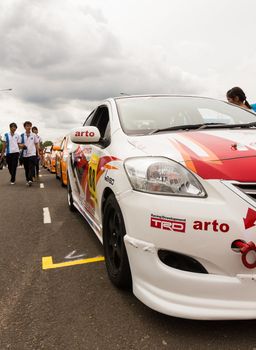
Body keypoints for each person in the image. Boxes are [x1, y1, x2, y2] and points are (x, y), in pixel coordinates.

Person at [21, 121, 39, 186]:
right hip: (25, 154)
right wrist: (22, 146)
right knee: (26, 168)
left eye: (29, 126)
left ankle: (30, 180)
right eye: (27, 126)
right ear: (24, 127)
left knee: (31, 167)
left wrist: (38, 153)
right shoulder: (22, 135)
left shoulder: (33, 135)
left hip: (32, 154)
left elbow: (36, 144)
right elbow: (19, 144)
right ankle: (28, 179)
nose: (28, 127)